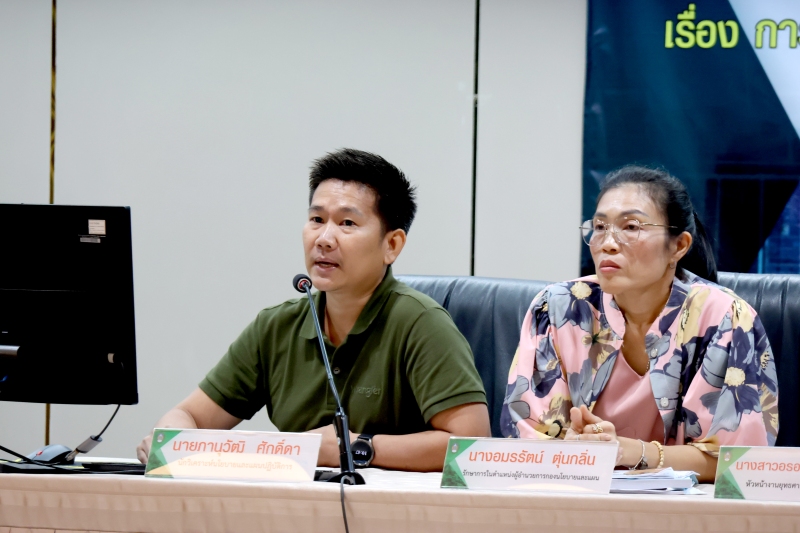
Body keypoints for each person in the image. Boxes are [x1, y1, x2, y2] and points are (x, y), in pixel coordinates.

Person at [137, 148, 490, 471]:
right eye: (317, 219)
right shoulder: (276, 326)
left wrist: (355, 447)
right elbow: (189, 416)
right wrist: (170, 439)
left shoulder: (421, 324)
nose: (323, 239)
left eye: (347, 223)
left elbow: (471, 447)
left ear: (392, 245)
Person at [500, 165, 778, 481]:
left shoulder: (724, 317)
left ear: (679, 246)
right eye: (599, 227)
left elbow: (739, 460)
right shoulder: (558, 308)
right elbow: (527, 437)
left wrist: (632, 452)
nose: (607, 243)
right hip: (578, 495)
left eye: (631, 227)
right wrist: (572, 449)